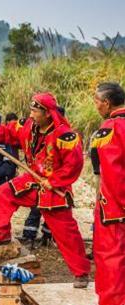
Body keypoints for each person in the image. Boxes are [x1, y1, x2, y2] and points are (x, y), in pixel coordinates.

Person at [0, 92, 90, 288]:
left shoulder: (65, 135)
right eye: (31, 110)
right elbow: (8, 132)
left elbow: (74, 164)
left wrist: (54, 181)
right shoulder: (28, 126)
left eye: (35, 111)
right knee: (4, 192)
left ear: (47, 113)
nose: (31, 114)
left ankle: (81, 273)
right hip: (32, 180)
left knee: (66, 233)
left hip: (54, 187)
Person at [90, 82, 125, 305]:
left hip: (114, 208)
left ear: (106, 103)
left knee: (111, 258)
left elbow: (113, 175)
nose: (96, 105)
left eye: (96, 100)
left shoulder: (111, 128)